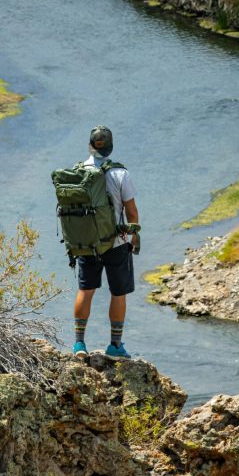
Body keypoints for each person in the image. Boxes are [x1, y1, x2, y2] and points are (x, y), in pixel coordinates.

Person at [73, 125, 140, 359]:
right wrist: (133, 236)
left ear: (90, 146)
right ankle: (115, 345)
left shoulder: (78, 171)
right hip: (116, 243)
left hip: (86, 242)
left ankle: (79, 345)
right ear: (110, 148)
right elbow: (132, 212)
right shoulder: (120, 174)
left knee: (86, 290)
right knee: (118, 293)